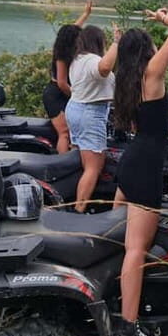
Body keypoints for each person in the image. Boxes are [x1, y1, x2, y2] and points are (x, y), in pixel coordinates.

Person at [111, 8, 168, 336]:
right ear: (146, 50)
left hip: (130, 165)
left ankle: (114, 295)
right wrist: (164, 18)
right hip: (143, 170)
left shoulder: (126, 80)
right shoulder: (152, 74)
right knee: (136, 249)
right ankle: (128, 328)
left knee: (116, 239)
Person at [65, 22, 120, 212]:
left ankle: (73, 199)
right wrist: (117, 43)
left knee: (82, 161)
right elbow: (104, 68)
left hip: (76, 108)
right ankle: (79, 209)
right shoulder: (90, 60)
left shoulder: (77, 60)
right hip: (90, 112)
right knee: (93, 166)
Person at [41, 1, 93, 154]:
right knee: (64, 133)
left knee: (72, 131)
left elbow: (73, 29)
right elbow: (62, 83)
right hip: (56, 94)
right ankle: (62, 163)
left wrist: (86, 14)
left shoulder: (65, 46)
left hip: (64, 94)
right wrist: (78, 98)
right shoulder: (62, 55)